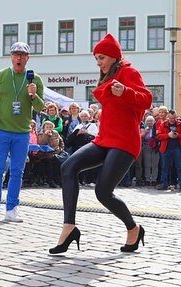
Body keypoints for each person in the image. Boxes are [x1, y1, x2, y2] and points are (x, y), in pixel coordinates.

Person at [50, 33, 153, 254]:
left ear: (114, 57)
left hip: (125, 142)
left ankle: (134, 228)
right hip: (104, 139)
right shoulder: (106, 78)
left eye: (102, 58)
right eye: (96, 58)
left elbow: (147, 99)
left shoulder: (129, 72)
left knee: (103, 192)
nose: (99, 62)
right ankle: (69, 226)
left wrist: (125, 91)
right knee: (67, 167)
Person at [0, 41, 45, 223]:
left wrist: (33, 95)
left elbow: (40, 107)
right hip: (1, 131)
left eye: (22, 55)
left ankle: (12, 208)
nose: (19, 58)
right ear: (11, 57)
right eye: (16, 54)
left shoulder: (35, 80)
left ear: (27, 58)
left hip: (22, 132)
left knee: (17, 171)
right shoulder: (0, 76)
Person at [156, 110, 181, 190]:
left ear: (176, 117)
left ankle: (180, 184)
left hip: (177, 148)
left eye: (174, 118)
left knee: (179, 166)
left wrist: (178, 136)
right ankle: (164, 184)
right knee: (165, 167)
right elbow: (159, 136)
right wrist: (168, 135)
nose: (172, 120)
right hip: (166, 148)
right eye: (170, 118)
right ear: (168, 117)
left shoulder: (180, 124)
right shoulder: (163, 125)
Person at [141, 115, 159, 186]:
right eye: (148, 121)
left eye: (151, 121)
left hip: (155, 148)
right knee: (147, 164)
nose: (150, 122)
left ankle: (154, 179)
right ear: (146, 122)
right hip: (146, 148)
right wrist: (145, 133)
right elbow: (142, 138)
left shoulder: (156, 129)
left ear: (154, 121)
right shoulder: (145, 129)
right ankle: (147, 179)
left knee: (155, 164)